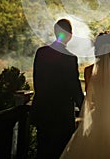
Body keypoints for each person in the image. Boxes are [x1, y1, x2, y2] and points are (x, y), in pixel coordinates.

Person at [31, 18, 84, 159]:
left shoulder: (41, 53)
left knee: (43, 150)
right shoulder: (70, 58)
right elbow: (74, 87)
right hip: (62, 114)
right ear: (70, 35)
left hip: (42, 111)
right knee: (61, 151)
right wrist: (84, 107)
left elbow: (37, 81)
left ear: (55, 32)